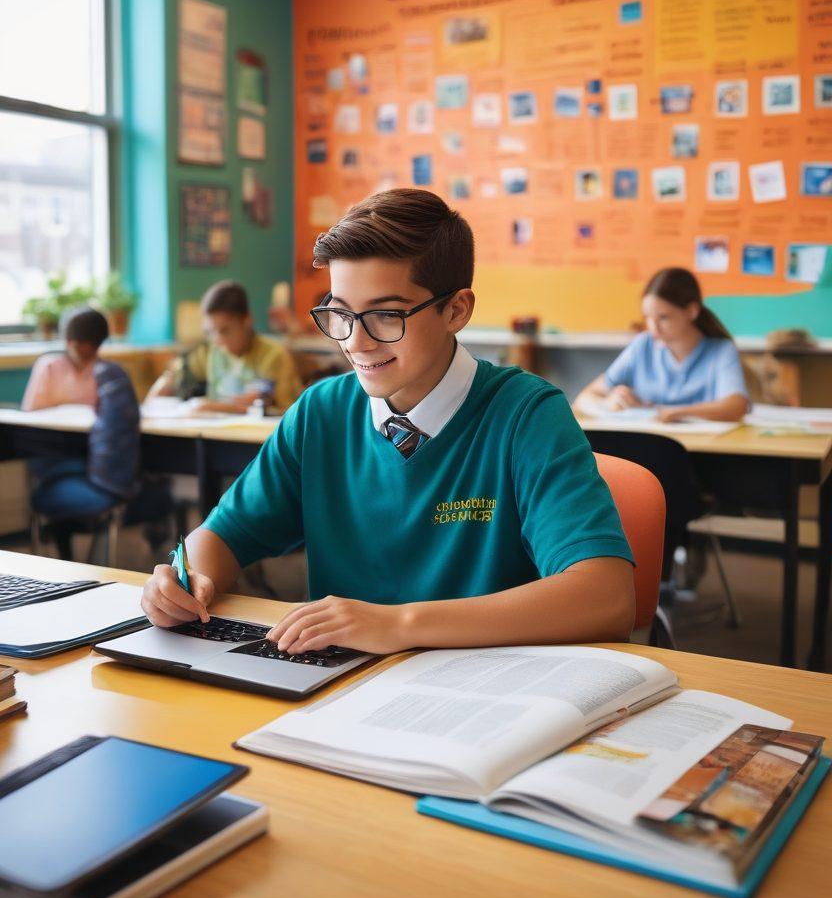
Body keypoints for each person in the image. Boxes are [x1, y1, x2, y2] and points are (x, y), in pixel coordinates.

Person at [141, 189, 635, 654]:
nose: (356, 342)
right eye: (340, 314)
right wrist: (183, 582)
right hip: (341, 691)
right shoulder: (321, 414)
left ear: (456, 310)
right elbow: (225, 535)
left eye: (386, 316)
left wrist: (398, 625)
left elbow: (606, 597)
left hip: (487, 695)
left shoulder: (526, 414)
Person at [23, 307, 140, 558]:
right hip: (51, 451)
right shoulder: (49, 366)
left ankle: (81, 535)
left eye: (94, 350)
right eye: (80, 350)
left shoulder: (107, 372)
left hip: (89, 454)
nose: (87, 357)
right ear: (68, 342)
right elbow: (30, 413)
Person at [575, 267, 749, 423]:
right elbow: (584, 397)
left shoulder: (721, 350)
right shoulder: (642, 345)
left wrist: (675, 412)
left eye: (664, 317)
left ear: (691, 311)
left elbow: (736, 406)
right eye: (647, 317)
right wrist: (609, 400)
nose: (653, 327)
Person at [147, 280, 302, 414]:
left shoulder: (274, 356)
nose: (217, 340)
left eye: (225, 330)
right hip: (213, 437)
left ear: (247, 320)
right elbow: (175, 374)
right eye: (210, 332)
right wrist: (154, 398)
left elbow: (285, 411)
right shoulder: (210, 350)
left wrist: (211, 406)